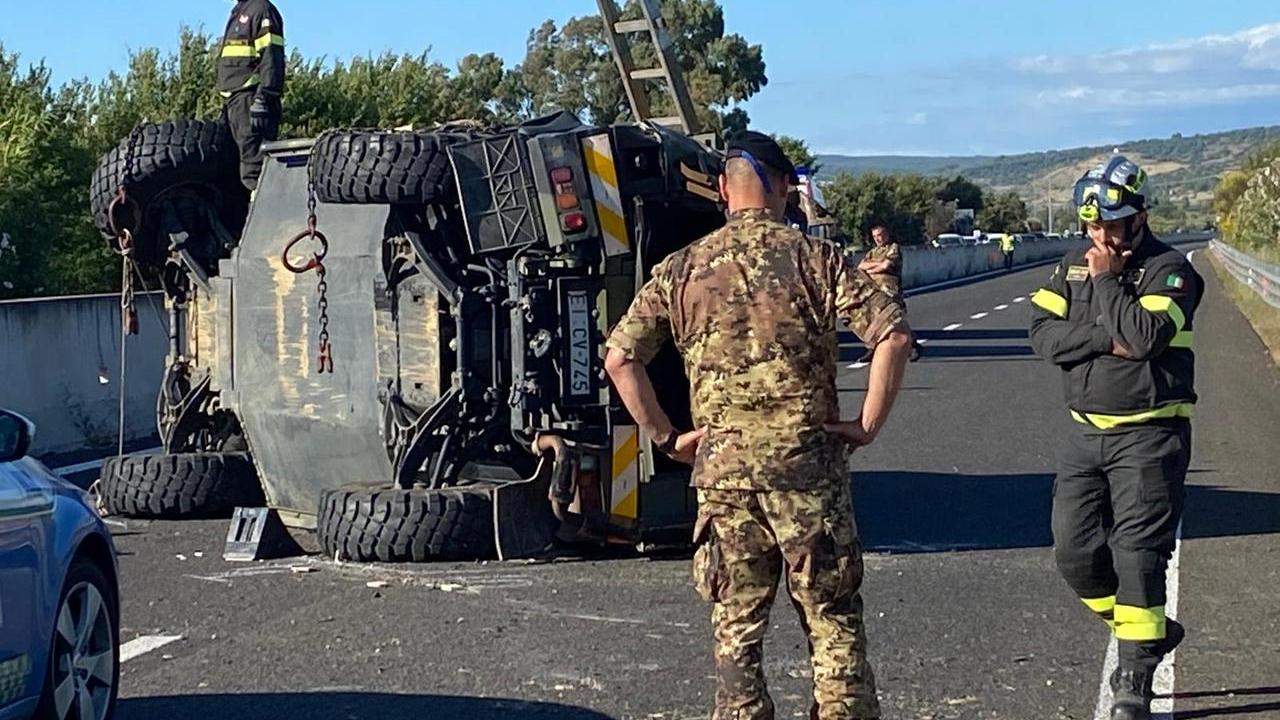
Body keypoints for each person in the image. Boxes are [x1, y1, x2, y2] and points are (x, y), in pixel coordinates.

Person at [604, 130, 913, 720]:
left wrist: (668, 438)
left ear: (724, 189)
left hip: (725, 478)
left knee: (737, 626)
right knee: (832, 618)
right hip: (808, 472)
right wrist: (867, 423)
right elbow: (892, 336)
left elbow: (620, 358)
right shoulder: (816, 259)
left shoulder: (682, 269)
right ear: (782, 188)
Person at [1029, 156, 1202, 720]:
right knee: (1074, 552)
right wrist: (1106, 339)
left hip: (1149, 436)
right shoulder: (1072, 266)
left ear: (1139, 217)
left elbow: (1146, 338)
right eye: (1092, 227)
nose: (1100, 237)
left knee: (1138, 555)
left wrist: (1106, 282)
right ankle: (1145, 631)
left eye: (1110, 225)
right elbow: (1042, 334)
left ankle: (1134, 677)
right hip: (1085, 434)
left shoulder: (1171, 271)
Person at [217, 0, 286, 191]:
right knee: (231, 166)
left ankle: (260, 206)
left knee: (254, 167)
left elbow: (272, 59)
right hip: (233, 101)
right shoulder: (240, 11)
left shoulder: (261, 10)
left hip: (250, 99)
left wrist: (264, 97)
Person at [857, 226, 921, 363]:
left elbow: (885, 266)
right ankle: (872, 348)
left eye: (880, 235)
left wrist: (872, 268)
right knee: (874, 320)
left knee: (896, 320)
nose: (878, 239)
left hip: (891, 290)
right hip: (875, 291)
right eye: (875, 236)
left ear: (886, 234)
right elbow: (861, 266)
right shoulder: (873, 252)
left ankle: (912, 345)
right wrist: (877, 265)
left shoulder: (893, 248)